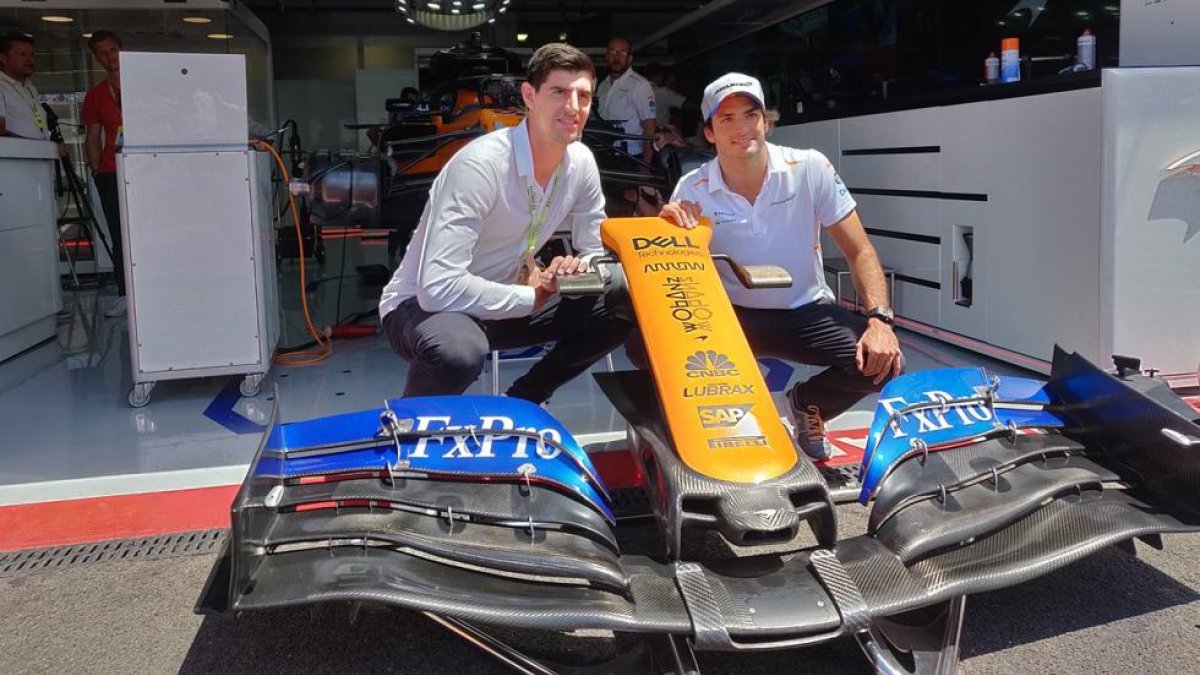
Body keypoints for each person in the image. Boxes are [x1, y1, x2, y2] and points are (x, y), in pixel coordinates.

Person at [654, 72, 904, 459]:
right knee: (648, 350)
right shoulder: (691, 188)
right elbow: (675, 276)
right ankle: (693, 445)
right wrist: (670, 228)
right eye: (726, 119)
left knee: (883, 364)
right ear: (709, 133)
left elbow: (861, 251)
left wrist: (880, 321)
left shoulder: (810, 167)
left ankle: (806, 404)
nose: (742, 128)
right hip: (730, 319)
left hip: (805, 311)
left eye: (750, 115)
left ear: (766, 121)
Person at [378, 42, 632, 403]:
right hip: (421, 306)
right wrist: (532, 294)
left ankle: (524, 401)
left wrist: (576, 269)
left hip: (505, 298)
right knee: (459, 352)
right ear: (530, 95)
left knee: (624, 297)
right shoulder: (482, 165)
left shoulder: (581, 162)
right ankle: (408, 429)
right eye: (559, 92)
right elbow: (437, 287)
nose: (573, 107)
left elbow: (595, 251)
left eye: (583, 96)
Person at [81, 30, 128, 318]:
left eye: (113, 50)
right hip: (111, 171)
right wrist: (96, 170)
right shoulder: (96, 95)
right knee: (118, 233)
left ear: (121, 49)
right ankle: (125, 294)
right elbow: (92, 135)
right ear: (96, 58)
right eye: (102, 53)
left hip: (147, 167)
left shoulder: (144, 85)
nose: (109, 57)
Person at [596, 37, 656, 166]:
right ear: (606, 57)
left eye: (622, 52)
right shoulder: (602, 86)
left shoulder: (640, 85)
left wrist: (646, 165)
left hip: (631, 158)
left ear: (630, 58)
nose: (616, 57)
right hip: (604, 155)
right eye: (612, 52)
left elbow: (649, 127)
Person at [0, 34, 59, 150]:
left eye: (32, 55)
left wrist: (47, 146)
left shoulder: (30, 87)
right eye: (22, 54)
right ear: (2, 58)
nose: (29, 59)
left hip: (38, 160)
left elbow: (38, 124)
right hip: (13, 162)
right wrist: (40, 147)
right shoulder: (2, 86)